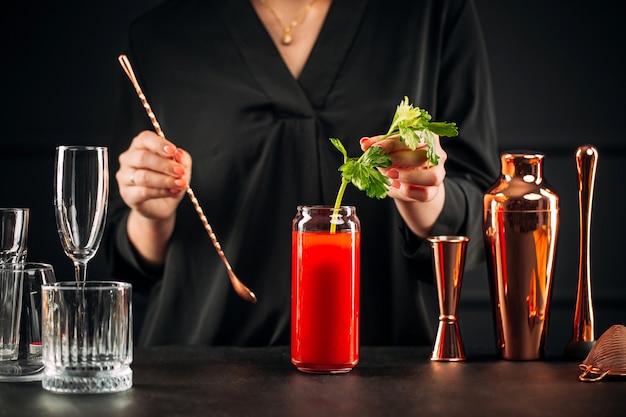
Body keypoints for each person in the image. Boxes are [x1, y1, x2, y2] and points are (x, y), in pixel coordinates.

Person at [105, 0, 500, 347]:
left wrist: (426, 200)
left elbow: (481, 215)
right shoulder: (160, 36)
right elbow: (125, 262)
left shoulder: (434, 12)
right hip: (198, 367)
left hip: (387, 370)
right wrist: (150, 214)